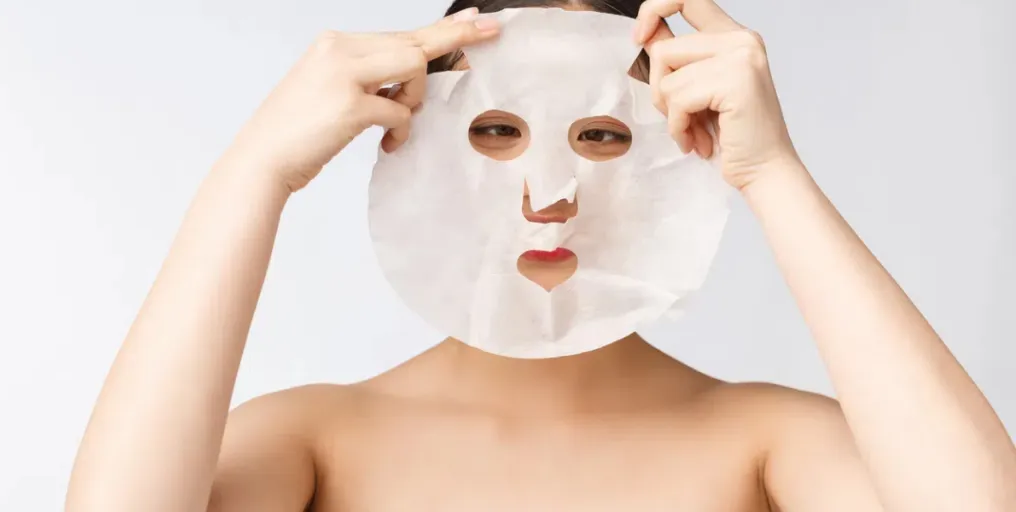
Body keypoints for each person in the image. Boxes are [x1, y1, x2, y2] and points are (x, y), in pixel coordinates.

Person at [65, 0, 1016, 511]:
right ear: (409, 140)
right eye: (495, 130)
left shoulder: (763, 445)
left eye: (602, 135)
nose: (548, 193)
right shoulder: (315, 439)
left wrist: (774, 174)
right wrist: (255, 173)